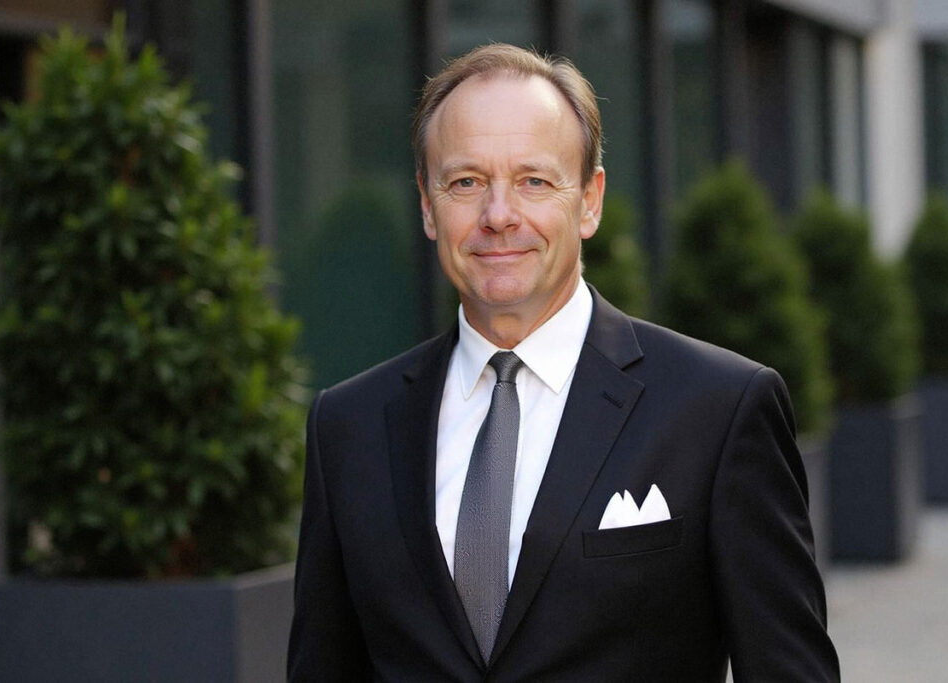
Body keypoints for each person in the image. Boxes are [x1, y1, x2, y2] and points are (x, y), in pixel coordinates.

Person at [287, 43, 840, 682]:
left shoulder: (719, 408)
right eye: (466, 182)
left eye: (534, 181)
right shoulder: (347, 426)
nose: (499, 215)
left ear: (589, 201)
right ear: (426, 204)